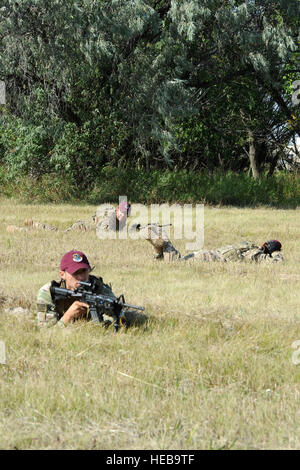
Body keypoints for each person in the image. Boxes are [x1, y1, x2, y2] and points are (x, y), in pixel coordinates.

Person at [36, 250, 144, 328]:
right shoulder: (48, 292)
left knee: (136, 318)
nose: (81, 277)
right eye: (75, 273)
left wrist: (114, 312)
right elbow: (47, 333)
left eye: (84, 271)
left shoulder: (97, 286)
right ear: (62, 274)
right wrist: (68, 316)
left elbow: (118, 316)